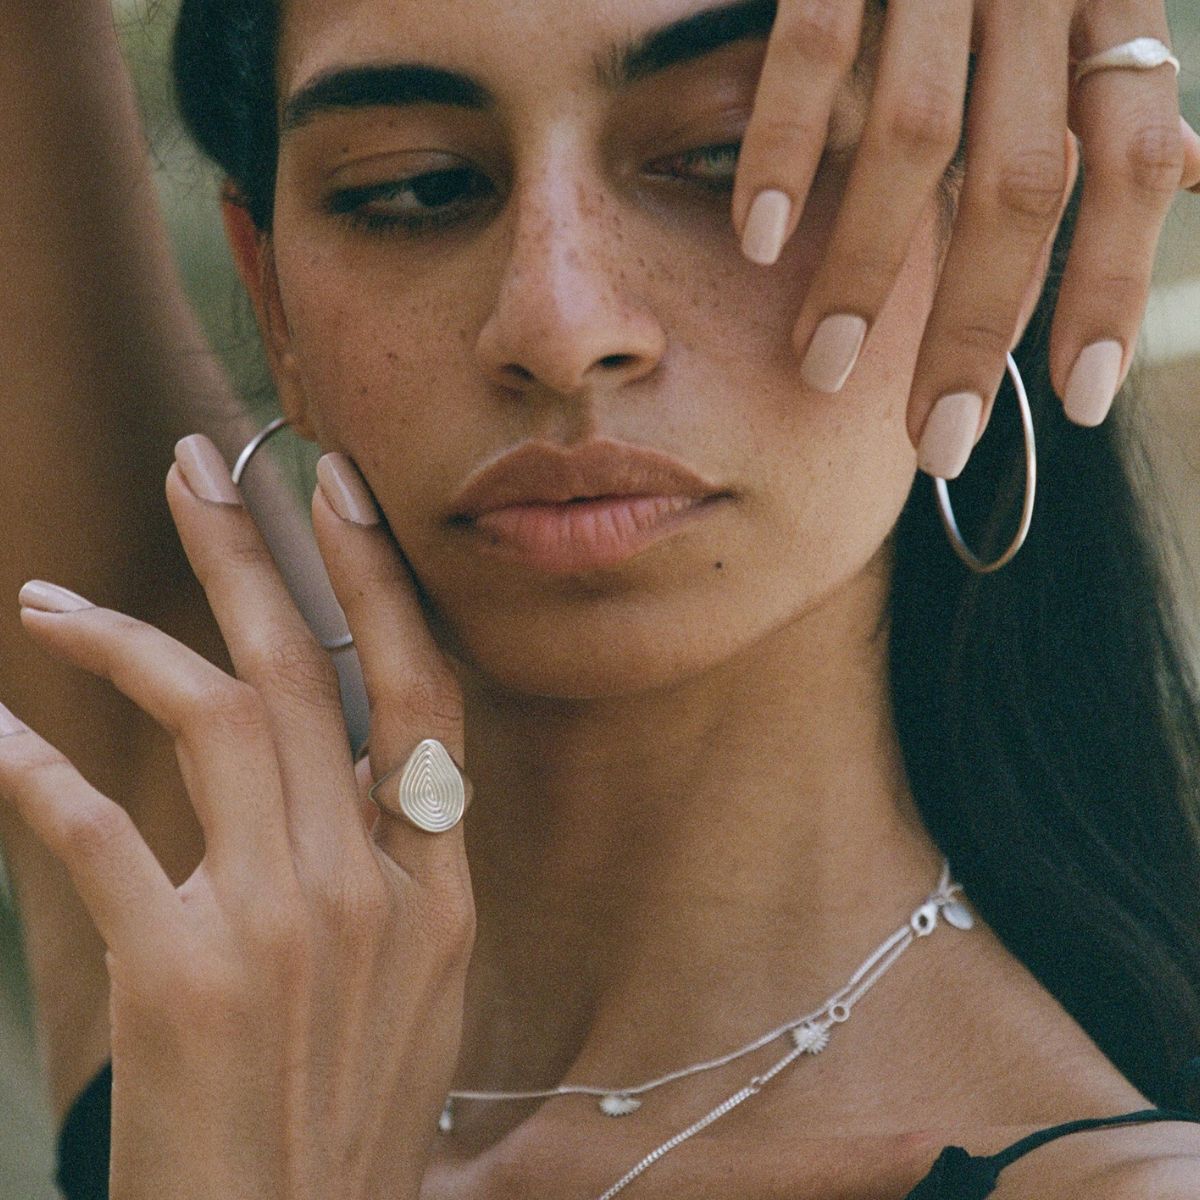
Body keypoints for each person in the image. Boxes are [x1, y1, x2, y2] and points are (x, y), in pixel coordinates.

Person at [4, 0, 1200, 1196]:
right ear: (272, 298)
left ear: (995, 206)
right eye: (415, 188)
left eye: (728, 156)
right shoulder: (210, 916)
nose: (559, 326)